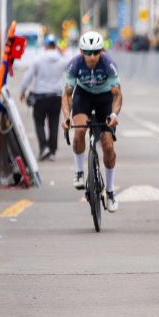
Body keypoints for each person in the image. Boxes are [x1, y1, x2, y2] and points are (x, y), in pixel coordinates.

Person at [62, 31, 123, 211]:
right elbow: (67, 95)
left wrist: (114, 115)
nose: (92, 56)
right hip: (84, 97)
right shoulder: (74, 64)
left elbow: (117, 95)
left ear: (101, 51)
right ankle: (79, 171)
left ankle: (110, 191)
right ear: (81, 52)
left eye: (96, 52)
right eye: (88, 53)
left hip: (104, 99)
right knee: (79, 130)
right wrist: (66, 117)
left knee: (108, 145)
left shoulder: (108, 64)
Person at [20, 35, 68, 161]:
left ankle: (44, 147)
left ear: (45, 46)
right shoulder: (62, 60)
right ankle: (52, 151)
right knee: (54, 123)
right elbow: (71, 71)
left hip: (40, 96)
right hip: (56, 96)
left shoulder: (38, 59)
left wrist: (22, 91)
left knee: (39, 123)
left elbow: (28, 76)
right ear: (56, 45)